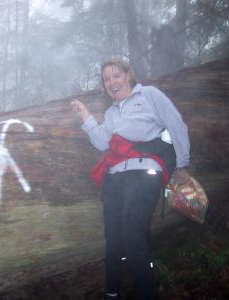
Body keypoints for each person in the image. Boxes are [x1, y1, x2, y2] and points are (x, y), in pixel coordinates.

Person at [70, 59, 190, 300]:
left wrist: (183, 163)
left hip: (144, 173)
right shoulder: (112, 113)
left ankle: (146, 292)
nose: (112, 82)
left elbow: (176, 123)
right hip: (115, 179)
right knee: (113, 239)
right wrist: (85, 115)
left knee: (132, 235)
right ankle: (111, 292)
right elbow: (102, 142)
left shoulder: (148, 95)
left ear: (128, 75)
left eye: (116, 76)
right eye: (106, 79)